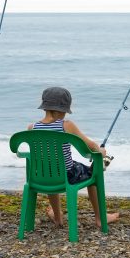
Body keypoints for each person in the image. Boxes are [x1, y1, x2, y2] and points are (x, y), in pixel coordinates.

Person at [28, 86, 119, 228]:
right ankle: (101, 218)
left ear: (45, 107)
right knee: (92, 173)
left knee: (50, 166)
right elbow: (89, 146)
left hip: (41, 176)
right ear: (63, 109)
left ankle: (58, 218)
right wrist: (100, 151)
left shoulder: (32, 128)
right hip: (67, 175)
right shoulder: (66, 126)